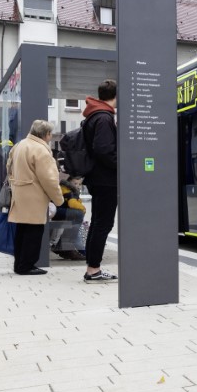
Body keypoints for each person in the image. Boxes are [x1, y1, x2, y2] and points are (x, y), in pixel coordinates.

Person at [7, 120, 64, 275]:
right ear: (46, 134)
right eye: (50, 134)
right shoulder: (41, 150)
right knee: (34, 231)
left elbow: (9, 167)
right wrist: (58, 199)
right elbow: (49, 179)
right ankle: (27, 266)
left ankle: (19, 264)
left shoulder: (19, 145)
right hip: (34, 196)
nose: (51, 137)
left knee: (22, 231)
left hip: (20, 193)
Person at [81, 79, 118, 282]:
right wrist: (121, 165)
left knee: (98, 223)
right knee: (103, 224)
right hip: (105, 179)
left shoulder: (94, 115)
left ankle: (92, 266)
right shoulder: (103, 118)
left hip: (98, 178)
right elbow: (104, 149)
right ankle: (93, 269)